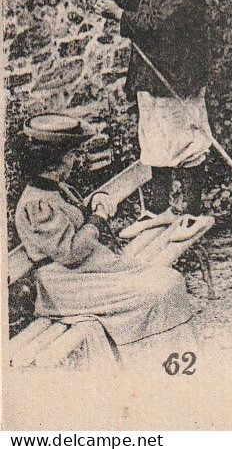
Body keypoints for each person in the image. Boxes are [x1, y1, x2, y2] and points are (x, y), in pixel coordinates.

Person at [12, 114, 198, 362]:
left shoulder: (54, 188)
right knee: (158, 290)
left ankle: (174, 358)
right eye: (72, 155)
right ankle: (152, 360)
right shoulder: (35, 205)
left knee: (169, 279)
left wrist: (96, 200)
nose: (74, 161)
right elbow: (70, 253)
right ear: (58, 161)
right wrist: (98, 219)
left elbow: (75, 214)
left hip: (87, 272)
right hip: (66, 286)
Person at [96, 0, 212, 216]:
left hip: (175, 77)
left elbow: (161, 24)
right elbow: (136, 2)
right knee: (154, 143)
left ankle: (191, 213)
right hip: (151, 76)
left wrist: (119, 17)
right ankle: (159, 213)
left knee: (187, 144)